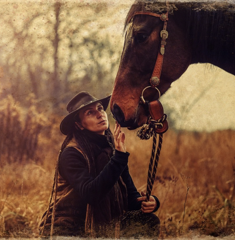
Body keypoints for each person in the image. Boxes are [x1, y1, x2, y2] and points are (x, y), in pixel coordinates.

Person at [39, 92, 160, 238]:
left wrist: (151, 203)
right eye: (90, 112)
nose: (99, 114)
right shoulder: (71, 153)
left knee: (147, 221)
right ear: (78, 125)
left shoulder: (113, 149)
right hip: (69, 228)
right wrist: (119, 158)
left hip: (100, 225)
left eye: (100, 108)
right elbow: (91, 194)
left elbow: (130, 197)